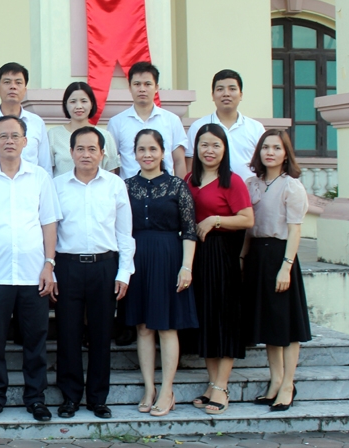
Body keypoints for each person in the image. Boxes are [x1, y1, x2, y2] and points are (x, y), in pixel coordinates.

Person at [0, 115, 60, 423]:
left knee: (35, 340)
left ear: (25, 142)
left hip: (34, 274)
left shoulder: (39, 177)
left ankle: (35, 398)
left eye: (15, 135)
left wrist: (49, 264)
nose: (9, 140)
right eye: (3, 136)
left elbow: (49, 223)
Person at [53, 127, 135, 420]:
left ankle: (98, 398)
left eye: (92, 149)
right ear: (71, 152)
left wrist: (124, 272)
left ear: (103, 153)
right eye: (80, 149)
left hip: (104, 266)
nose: (86, 154)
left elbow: (124, 233)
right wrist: (50, 269)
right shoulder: (57, 185)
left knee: (102, 335)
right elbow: (49, 232)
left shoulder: (115, 185)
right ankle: (70, 397)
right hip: (67, 266)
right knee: (68, 333)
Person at [123, 130, 198, 417]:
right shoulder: (126, 186)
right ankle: (148, 387)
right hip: (137, 258)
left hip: (169, 257)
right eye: (141, 149)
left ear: (163, 152)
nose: (147, 154)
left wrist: (186, 266)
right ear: (135, 153)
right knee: (143, 326)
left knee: (167, 326)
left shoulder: (178, 186)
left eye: (152, 149)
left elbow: (189, 229)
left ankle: (167, 388)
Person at [184, 123, 254, 415]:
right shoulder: (189, 179)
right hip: (196, 258)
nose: (209, 151)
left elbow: (248, 219)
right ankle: (212, 384)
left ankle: (222, 387)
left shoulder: (233, 182)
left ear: (224, 149)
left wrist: (215, 220)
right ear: (196, 148)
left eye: (215, 145)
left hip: (222, 256)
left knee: (224, 320)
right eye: (203, 145)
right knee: (208, 321)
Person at [242, 129, 311, 412]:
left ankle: (288, 384)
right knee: (269, 324)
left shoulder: (291, 186)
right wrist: (243, 257)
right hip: (257, 255)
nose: (270, 152)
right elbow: (248, 226)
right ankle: (275, 380)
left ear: (285, 154)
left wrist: (287, 266)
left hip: (281, 255)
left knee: (287, 325)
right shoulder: (251, 184)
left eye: (276, 148)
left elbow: (295, 229)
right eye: (265, 147)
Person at [107, 61, 188, 180]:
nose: (142, 89)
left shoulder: (172, 120)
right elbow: (112, 164)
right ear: (130, 88)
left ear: (156, 87)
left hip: (166, 193)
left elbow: (179, 161)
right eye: (137, 84)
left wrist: (181, 193)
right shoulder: (116, 122)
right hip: (129, 193)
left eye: (147, 84)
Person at [186, 69, 266, 180]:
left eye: (232, 89)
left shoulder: (256, 128)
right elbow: (191, 164)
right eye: (220, 89)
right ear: (213, 95)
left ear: (241, 95)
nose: (226, 94)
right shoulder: (198, 127)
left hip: (250, 193)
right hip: (210, 194)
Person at [0, 62, 52, 174]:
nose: (13, 87)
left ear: (25, 90)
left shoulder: (37, 123)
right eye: (7, 82)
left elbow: (45, 166)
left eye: (18, 82)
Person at [48, 81, 119, 176]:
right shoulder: (53, 135)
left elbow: (111, 173)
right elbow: (47, 171)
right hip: (61, 190)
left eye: (84, 101)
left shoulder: (105, 135)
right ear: (66, 104)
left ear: (92, 104)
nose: (78, 106)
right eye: (73, 101)